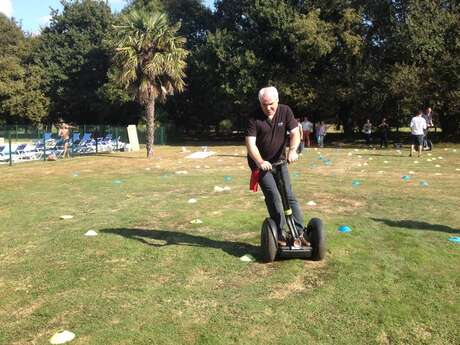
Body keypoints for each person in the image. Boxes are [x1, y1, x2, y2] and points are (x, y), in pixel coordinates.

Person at [246, 86, 305, 247]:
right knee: (273, 196)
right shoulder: (253, 117)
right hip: (261, 166)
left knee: (288, 195)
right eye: (264, 105)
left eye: (271, 104)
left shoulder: (285, 111)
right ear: (260, 103)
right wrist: (260, 162)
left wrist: (293, 150)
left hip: (280, 162)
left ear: (277, 100)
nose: (268, 108)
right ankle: (279, 233)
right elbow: (250, 144)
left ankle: (299, 232)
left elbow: (294, 133)